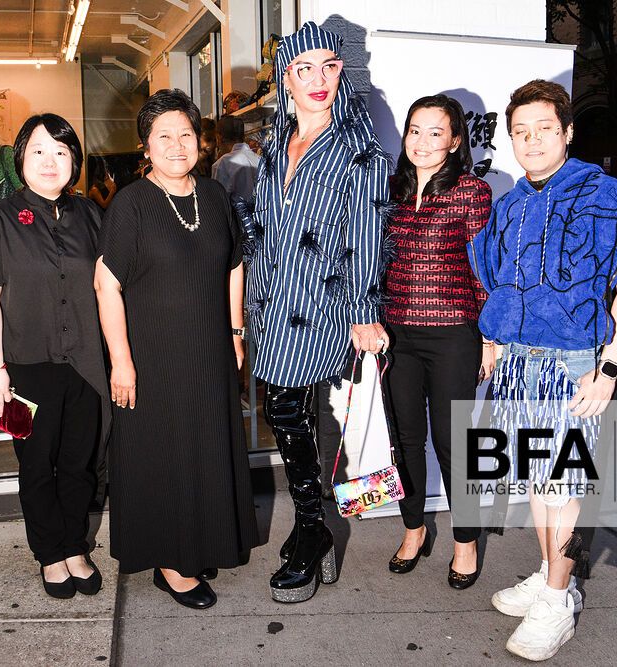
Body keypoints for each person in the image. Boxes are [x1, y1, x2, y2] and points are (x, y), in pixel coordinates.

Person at [469, 80, 617, 661]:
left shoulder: (610, 196)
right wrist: (491, 340)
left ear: (567, 132)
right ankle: (548, 573)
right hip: (518, 365)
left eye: (544, 129)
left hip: (574, 366)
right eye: (520, 132)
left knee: (562, 487)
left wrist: (609, 370)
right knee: (538, 481)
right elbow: (501, 284)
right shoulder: (510, 205)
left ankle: (559, 599)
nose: (532, 141)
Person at [237, 21, 390, 604]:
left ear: (341, 71)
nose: (318, 78)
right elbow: (267, 225)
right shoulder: (275, 145)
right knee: (287, 412)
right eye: (304, 68)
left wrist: (364, 311)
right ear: (286, 79)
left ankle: (311, 530)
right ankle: (312, 526)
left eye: (328, 66)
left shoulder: (359, 149)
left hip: (323, 301)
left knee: (286, 409)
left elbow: (369, 236)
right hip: (272, 301)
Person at [94, 89, 260, 611]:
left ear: (200, 141)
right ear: (146, 146)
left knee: (205, 444)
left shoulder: (213, 195)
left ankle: (201, 540)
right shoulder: (131, 204)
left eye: (185, 134)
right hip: (154, 355)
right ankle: (170, 562)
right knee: (165, 453)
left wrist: (235, 332)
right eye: (163, 136)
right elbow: (106, 284)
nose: (176, 144)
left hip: (209, 347)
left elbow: (234, 264)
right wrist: (121, 361)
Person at [0, 113, 108, 600]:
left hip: (85, 362)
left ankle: (75, 547)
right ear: (21, 157)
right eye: (39, 151)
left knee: (79, 464)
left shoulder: (90, 215)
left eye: (61, 152)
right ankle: (49, 553)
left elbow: (108, 286)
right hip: (26, 366)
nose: (50, 161)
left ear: (74, 161)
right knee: (37, 465)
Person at [382, 95, 493, 588]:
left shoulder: (472, 192)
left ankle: (464, 541)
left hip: (453, 334)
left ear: (454, 140)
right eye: (415, 130)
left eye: (435, 132)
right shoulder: (391, 190)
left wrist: (488, 339)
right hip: (397, 335)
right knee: (405, 440)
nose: (422, 142)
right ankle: (414, 529)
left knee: (453, 444)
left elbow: (484, 269)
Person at [211, 115, 260, 204]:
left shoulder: (223, 163)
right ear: (243, 136)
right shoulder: (259, 159)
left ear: (219, 138)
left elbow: (218, 202)